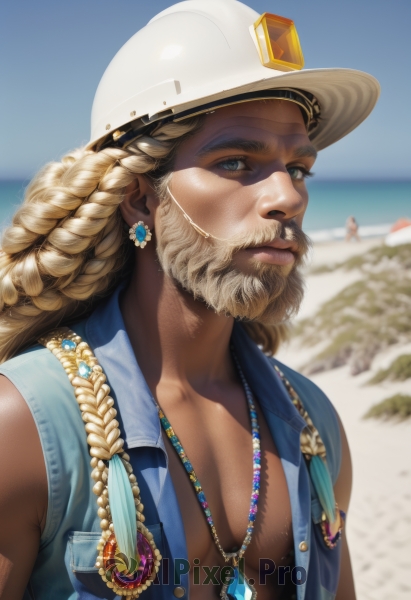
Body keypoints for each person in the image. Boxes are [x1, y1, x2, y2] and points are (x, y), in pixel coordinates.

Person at [0, 1, 379, 599]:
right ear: (140, 200)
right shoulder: (25, 427)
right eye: (235, 161)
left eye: (299, 168)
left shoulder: (314, 426)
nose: (287, 196)